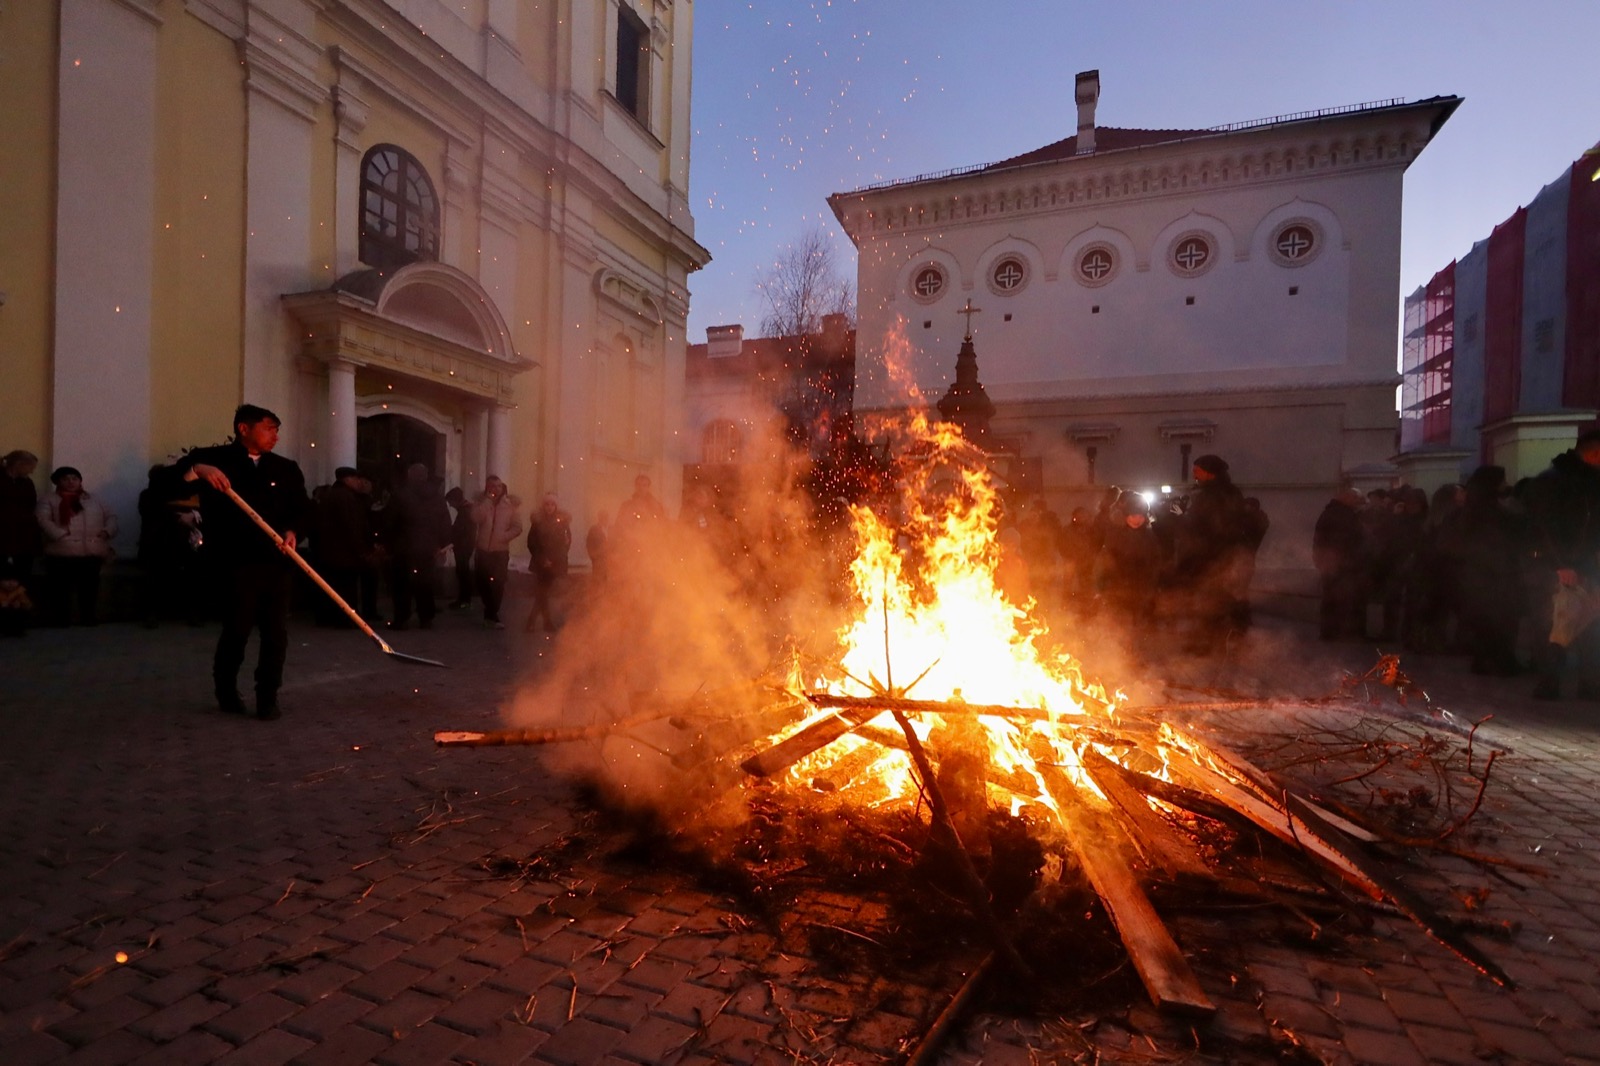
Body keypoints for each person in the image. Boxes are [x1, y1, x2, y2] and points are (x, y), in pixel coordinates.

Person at [178, 404, 309, 720]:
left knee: (276, 634)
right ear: (244, 428)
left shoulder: (285, 468)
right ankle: (226, 691)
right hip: (234, 563)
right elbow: (171, 484)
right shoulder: (216, 460)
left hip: (277, 563)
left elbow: (302, 508)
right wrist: (198, 470)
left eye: (277, 429)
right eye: (269, 427)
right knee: (236, 630)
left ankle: (268, 696)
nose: (275, 435)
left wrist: (294, 531)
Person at [1524, 430, 1600, 699]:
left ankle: (1589, 684)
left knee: (1590, 625)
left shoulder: (1591, 482)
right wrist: (1560, 564)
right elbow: (1544, 527)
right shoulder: (1555, 482)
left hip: (1587, 565)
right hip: (1558, 567)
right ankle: (1549, 682)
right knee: (1558, 625)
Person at [1436, 465, 1523, 676]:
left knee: (1483, 620)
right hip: (1496, 575)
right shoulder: (1500, 514)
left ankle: (1484, 660)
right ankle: (1501, 661)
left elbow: (1447, 544)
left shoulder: (1462, 515)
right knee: (1501, 620)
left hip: (1472, 575)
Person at [1170, 455, 1249, 654]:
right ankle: (1212, 642)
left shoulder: (1213, 496)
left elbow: (1204, 527)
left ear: (1209, 472)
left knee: (1208, 602)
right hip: (1217, 556)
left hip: (1210, 558)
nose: (1194, 474)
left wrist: (1181, 517)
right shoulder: (1228, 493)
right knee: (1210, 602)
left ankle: (1207, 644)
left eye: (1197, 470)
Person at [36, 466, 118, 626]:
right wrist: (58, 535)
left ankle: (88, 617)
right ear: (58, 482)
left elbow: (111, 516)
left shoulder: (94, 499)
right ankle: (61, 619)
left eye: (74, 478)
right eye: (66, 479)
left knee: (89, 588)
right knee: (60, 589)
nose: (71, 482)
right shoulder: (49, 499)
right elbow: (42, 519)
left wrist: (107, 531)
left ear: (80, 481)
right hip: (62, 551)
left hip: (91, 551)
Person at [384, 463, 451, 630]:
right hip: (427, 548)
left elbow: (390, 521)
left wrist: (388, 543)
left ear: (410, 476)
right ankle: (426, 617)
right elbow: (445, 523)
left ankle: (402, 618)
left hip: (404, 548)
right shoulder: (436, 498)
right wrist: (442, 543)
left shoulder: (401, 495)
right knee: (425, 584)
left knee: (402, 584)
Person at [315, 467, 380, 626]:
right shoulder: (346, 498)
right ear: (347, 479)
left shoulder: (334, 495)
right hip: (344, 552)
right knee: (345, 587)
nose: (359, 483)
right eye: (356, 479)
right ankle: (344, 619)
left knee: (336, 585)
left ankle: (332, 618)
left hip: (332, 550)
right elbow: (352, 526)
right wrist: (362, 550)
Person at [1313, 486, 1366, 641]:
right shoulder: (1345, 516)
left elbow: (1319, 540)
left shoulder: (1329, 513)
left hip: (1331, 563)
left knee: (1331, 598)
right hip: (1344, 564)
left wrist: (1319, 559)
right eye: (1355, 499)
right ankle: (1343, 632)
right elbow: (1353, 539)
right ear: (1346, 497)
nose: (1357, 502)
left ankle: (1329, 631)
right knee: (1343, 598)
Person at [470, 476, 521, 628]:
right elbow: (475, 518)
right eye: (492, 486)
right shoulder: (481, 503)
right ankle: (490, 612)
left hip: (500, 551)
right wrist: (486, 502)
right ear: (487, 488)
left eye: (498, 486)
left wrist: (504, 537)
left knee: (498, 583)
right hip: (483, 549)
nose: (496, 489)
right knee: (482, 582)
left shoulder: (510, 505)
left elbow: (517, 527)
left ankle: (492, 615)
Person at [525, 493, 572, 632]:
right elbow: (532, 543)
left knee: (543, 592)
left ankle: (536, 622)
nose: (549, 507)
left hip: (556, 562)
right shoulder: (538, 522)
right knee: (542, 592)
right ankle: (541, 622)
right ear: (543, 505)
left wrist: (557, 558)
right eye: (547, 504)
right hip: (542, 562)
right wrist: (542, 559)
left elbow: (566, 541)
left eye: (552, 504)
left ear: (556, 506)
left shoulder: (562, 522)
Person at [1, 450, 41, 595]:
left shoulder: (27, 483)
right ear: (19, 464)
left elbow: (31, 505)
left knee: (23, 577)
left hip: (23, 538)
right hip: (3, 535)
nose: (32, 471)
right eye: (30, 467)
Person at [445, 486, 476, 609]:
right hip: (465, 545)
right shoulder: (467, 510)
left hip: (463, 546)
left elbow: (460, 530)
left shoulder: (465, 511)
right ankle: (464, 599)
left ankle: (464, 600)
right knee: (462, 572)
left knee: (463, 572)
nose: (450, 505)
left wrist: (451, 537)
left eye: (450, 502)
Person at [586, 510, 610, 586]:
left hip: (610, 559)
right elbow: (589, 543)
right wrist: (593, 556)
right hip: (598, 559)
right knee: (598, 580)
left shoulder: (611, 529)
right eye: (602, 517)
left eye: (606, 517)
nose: (604, 519)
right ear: (599, 518)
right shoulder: (594, 529)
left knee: (609, 580)